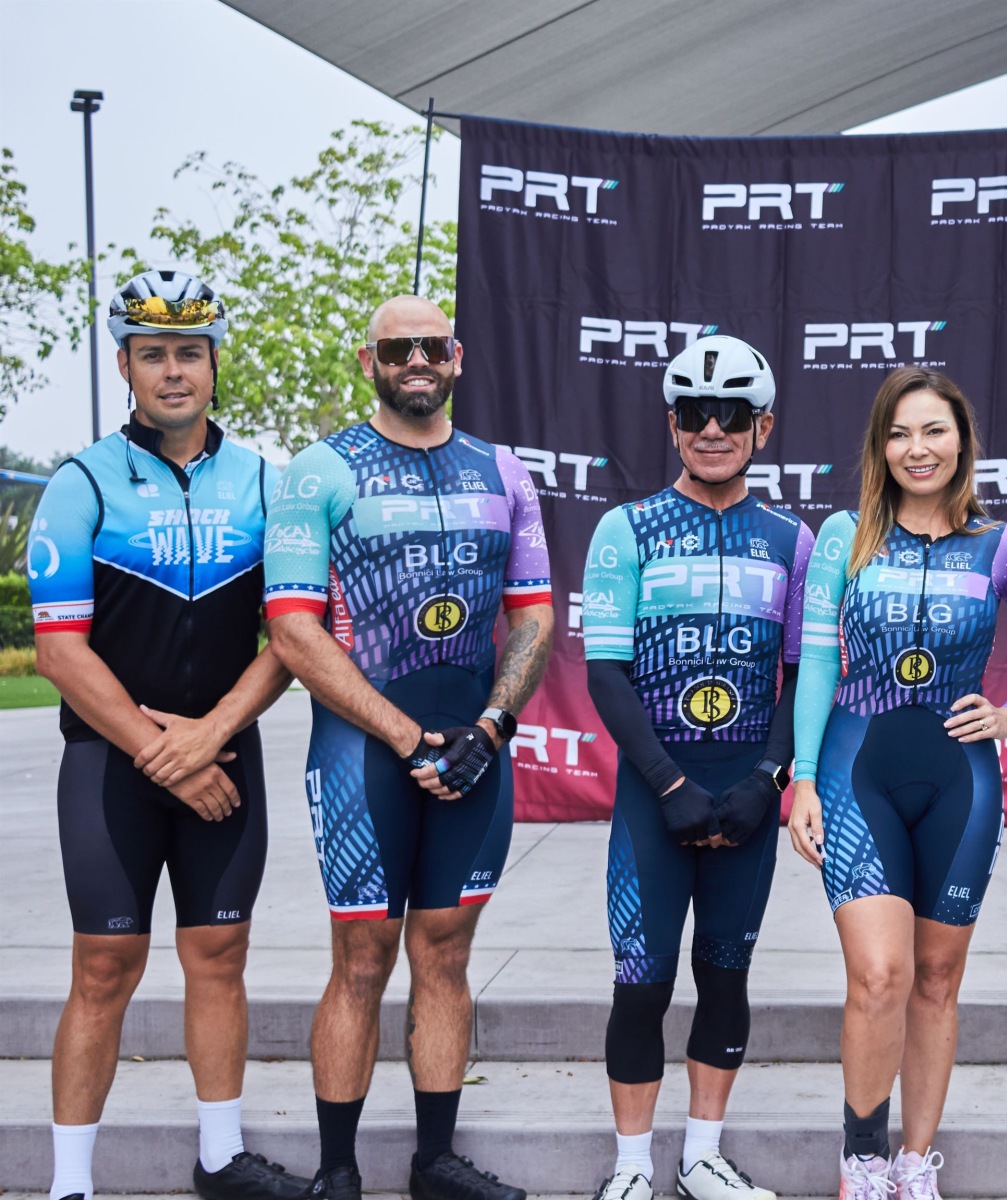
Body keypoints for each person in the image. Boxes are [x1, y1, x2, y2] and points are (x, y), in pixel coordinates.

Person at [263, 296, 555, 1200]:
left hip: (475, 748)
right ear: (370, 362)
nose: (417, 360)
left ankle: (435, 1162)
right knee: (361, 959)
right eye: (398, 349)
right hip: (362, 756)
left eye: (432, 346)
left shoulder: (503, 471)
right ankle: (337, 1172)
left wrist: (491, 728)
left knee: (447, 953)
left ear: (457, 357)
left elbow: (534, 616)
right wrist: (405, 737)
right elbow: (293, 629)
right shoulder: (319, 471)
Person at [27, 270, 308, 1200]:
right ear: (126, 367)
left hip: (225, 756)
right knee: (103, 966)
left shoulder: (265, 482)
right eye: (154, 355)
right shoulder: (81, 483)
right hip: (111, 764)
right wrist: (165, 755)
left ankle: (221, 1157)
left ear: (215, 364)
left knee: (219, 957)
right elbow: (59, 650)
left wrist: (210, 735)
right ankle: (70, 1184)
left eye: (191, 352)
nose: (174, 371)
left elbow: (295, 634)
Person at [785, 366, 1007, 1200]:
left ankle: (914, 1163)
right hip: (857, 770)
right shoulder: (843, 535)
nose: (919, 448)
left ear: (962, 441)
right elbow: (817, 663)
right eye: (900, 433)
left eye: (934, 431)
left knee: (938, 980)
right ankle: (862, 1160)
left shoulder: (1004, 545)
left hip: (960, 781)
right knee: (881, 974)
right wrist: (804, 779)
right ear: (880, 447)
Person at [581, 334, 813, 1200]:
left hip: (747, 790)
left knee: (724, 977)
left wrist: (768, 780)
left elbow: (802, 675)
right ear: (673, 424)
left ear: (763, 427)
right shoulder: (627, 528)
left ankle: (701, 1158)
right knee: (641, 986)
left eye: (731, 414)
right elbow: (605, 673)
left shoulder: (793, 540)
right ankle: (631, 1167)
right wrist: (670, 786)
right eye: (694, 413)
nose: (712, 429)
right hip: (656, 794)